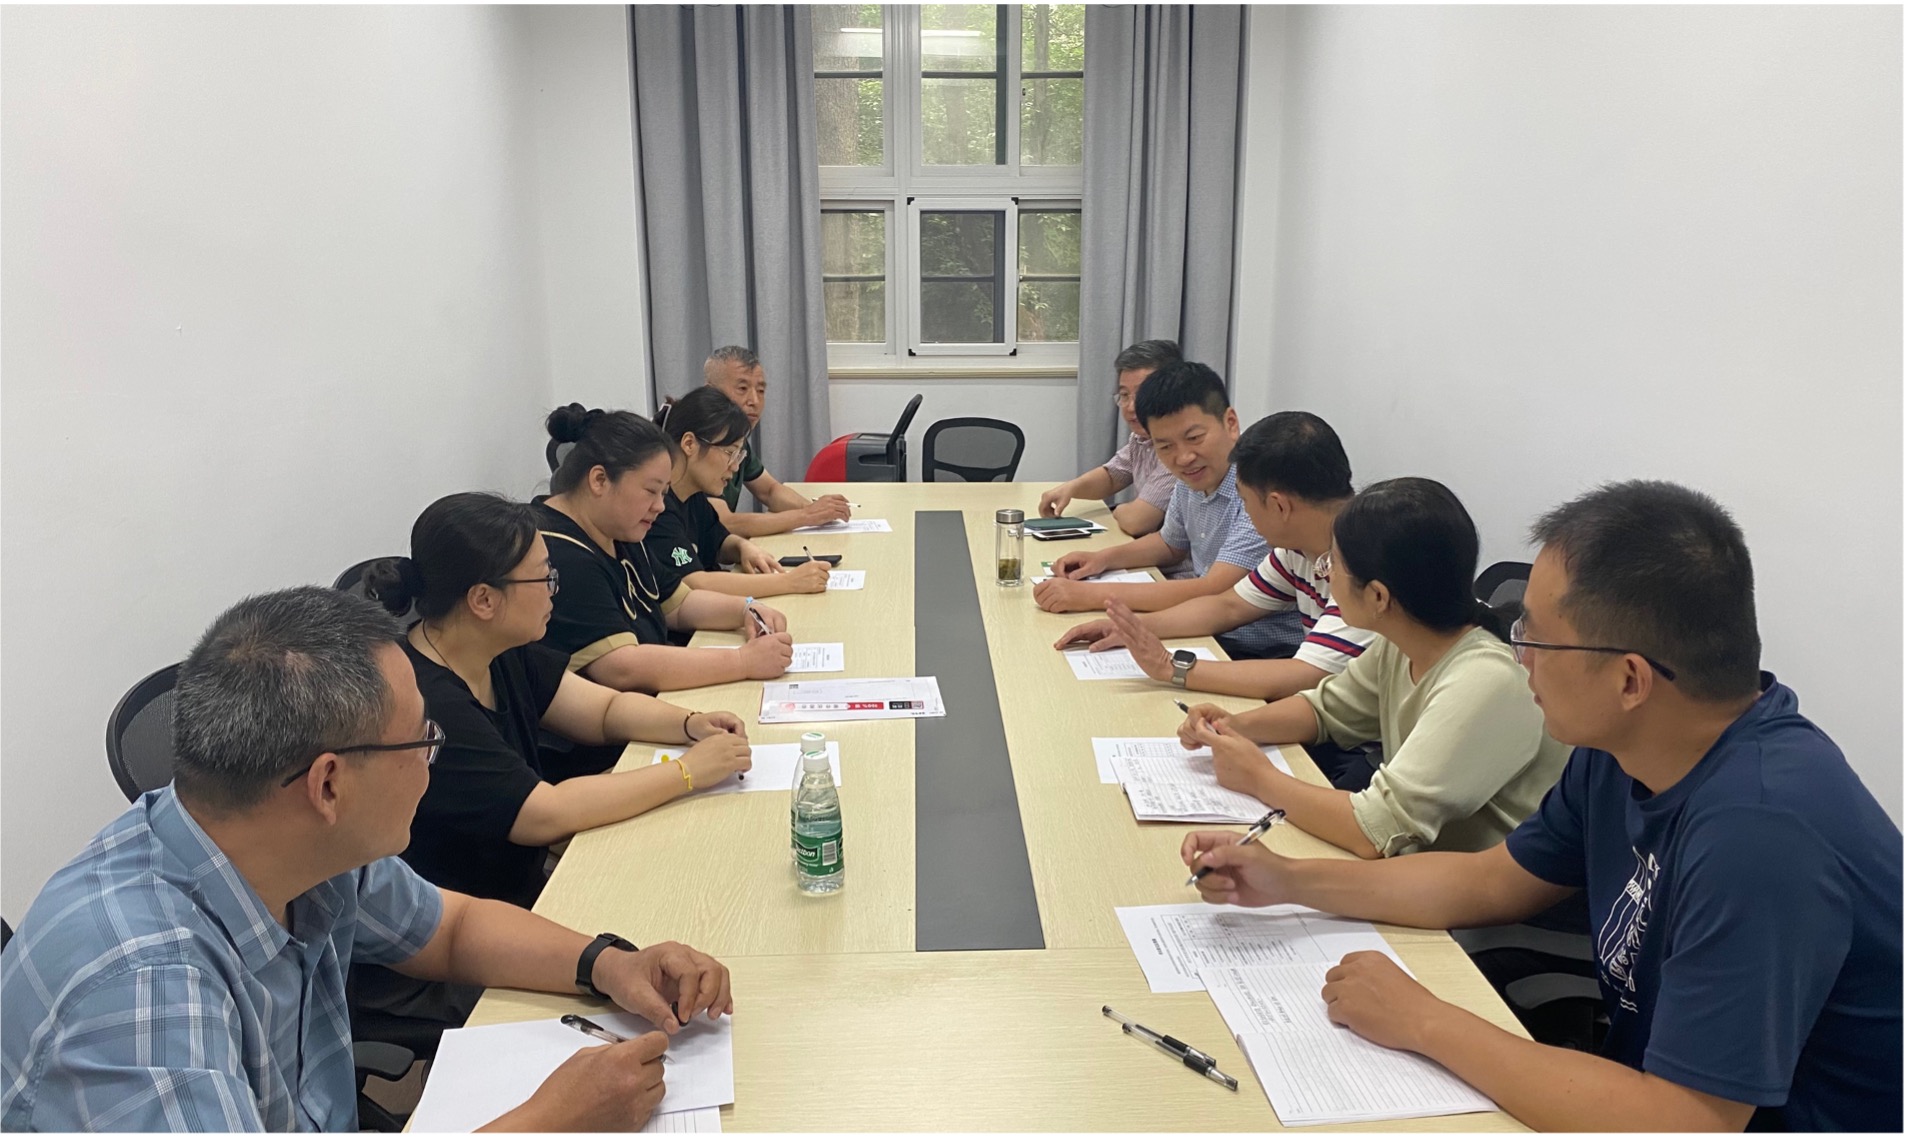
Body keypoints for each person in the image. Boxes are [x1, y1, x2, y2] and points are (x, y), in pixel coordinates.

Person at [1179, 481, 1902, 1131]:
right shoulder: (1620, 749)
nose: (1517, 654)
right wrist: (1286, 880)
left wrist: (1424, 1019)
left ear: (1629, 679)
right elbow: (1489, 879)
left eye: (1534, 636)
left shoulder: (1762, 831)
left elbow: (1684, 1119)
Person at [0, 587, 733, 1131]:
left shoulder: (286, 840)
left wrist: (609, 963)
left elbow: (451, 929)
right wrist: (552, 1121)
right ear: (328, 784)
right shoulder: (144, 996)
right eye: (422, 740)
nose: (432, 759)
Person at [365, 491, 755, 912]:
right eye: (544, 578)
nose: (555, 589)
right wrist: (686, 772)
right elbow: (544, 813)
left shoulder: (497, 648)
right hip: (479, 914)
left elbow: (604, 711)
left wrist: (689, 723)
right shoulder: (428, 704)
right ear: (484, 600)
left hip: (526, 884)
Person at [1172, 477, 1568, 857]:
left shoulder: (1486, 679)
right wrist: (1233, 727)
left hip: (1472, 891)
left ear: (1378, 596)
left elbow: (1374, 830)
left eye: (1333, 563)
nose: (1325, 573)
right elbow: (1325, 709)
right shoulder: (1402, 644)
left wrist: (1258, 776)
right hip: (1417, 866)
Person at [1054, 411, 1374, 701]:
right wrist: (1131, 628)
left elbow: (1304, 675)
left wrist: (1170, 667)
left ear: (1279, 506)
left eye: (1246, 501)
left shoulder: (1365, 562)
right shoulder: (1297, 550)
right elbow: (1228, 606)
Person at [1031, 361, 1302, 659]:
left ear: (1231, 423)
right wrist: (1101, 559)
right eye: (1165, 446)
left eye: (1194, 438)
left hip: (1261, 648)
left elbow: (1216, 590)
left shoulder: (1258, 492)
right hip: (1206, 630)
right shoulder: (1192, 480)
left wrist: (1090, 595)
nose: (1183, 458)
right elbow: (1169, 544)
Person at [538, 403, 795, 696]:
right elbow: (621, 668)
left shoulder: (617, 529)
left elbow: (678, 604)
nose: (660, 506)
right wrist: (742, 661)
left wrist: (746, 608)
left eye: (664, 493)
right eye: (651, 491)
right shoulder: (557, 552)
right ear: (599, 480)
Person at [648, 387, 834, 599]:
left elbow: (719, 542)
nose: (735, 467)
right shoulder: (657, 508)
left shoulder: (693, 496)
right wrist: (789, 582)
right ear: (689, 444)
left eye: (738, 455)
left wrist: (743, 547)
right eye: (730, 452)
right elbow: (694, 583)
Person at [1038, 339, 1185, 539]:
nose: (1131, 407)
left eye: (1142, 395)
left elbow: (1137, 522)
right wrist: (1070, 488)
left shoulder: (1181, 448)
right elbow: (1113, 476)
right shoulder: (1141, 438)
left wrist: (1119, 510)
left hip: (1170, 557)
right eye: (1124, 395)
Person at [702, 345, 853, 536]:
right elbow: (725, 522)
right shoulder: (699, 443)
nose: (754, 401)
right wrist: (807, 515)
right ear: (711, 392)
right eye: (742, 389)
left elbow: (769, 490)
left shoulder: (736, 439)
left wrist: (816, 510)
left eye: (761, 390)